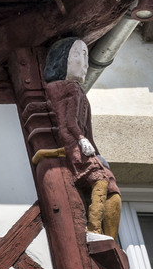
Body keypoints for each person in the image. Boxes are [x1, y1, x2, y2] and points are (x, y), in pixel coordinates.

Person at [44, 36, 121, 241]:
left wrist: (98, 153)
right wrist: (81, 139)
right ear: (63, 60)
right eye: (78, 55)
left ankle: (108, 237)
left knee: (112, 186)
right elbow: (69, 122)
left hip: (79, 141)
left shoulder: (73, 90)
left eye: (86, 56)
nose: (85, 64)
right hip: (70, 139)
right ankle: (94, 230)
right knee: (102, 180)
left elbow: (88, 131)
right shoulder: (71, 88)